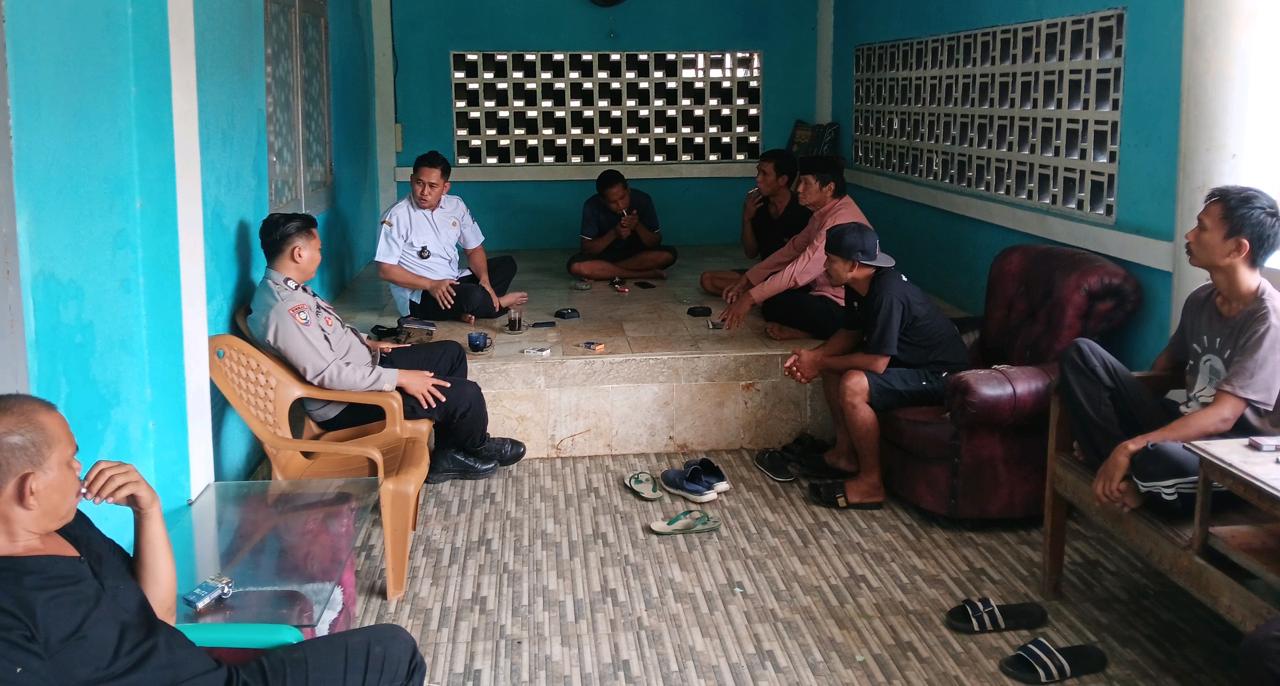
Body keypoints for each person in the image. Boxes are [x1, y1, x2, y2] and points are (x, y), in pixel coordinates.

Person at [0, 394, 428, 685]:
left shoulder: (67, 526)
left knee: (392, 650)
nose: (79, 467)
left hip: (213, 673)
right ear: (30, 489)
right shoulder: (10, 617)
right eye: (69, 459)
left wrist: (147, 509)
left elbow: (159, 615)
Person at [249, 213, 525, 483]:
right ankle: (477, 445)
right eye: (318, 249)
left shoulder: (286, 290)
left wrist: (366, 342)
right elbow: (328, 374)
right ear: (299, 253)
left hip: (364, 369)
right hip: (348, 402)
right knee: (466, 394)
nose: (321, 256)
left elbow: (323, 336)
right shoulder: (285, 309)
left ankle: (448, 454)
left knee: (450, 353)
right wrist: (401, 378)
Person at [1057, 186, 1280, 514]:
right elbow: (1162, 371)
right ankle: (1126, 476)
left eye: (1202, 228)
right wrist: (1104, 422)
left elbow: (1224, 415)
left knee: (1158, 457)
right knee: (1082, 355)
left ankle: (1129, 472)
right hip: (1186, 425)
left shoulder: (1268, 319)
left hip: (1231, 452)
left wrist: (1131, 445)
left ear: (1237, 248)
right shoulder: (1201, 299)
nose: (1189, 235)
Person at [778, 223, 969, 509]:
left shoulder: (888, 293)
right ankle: (844, 455)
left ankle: (870, 484)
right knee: (834, 369)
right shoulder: (858, 284)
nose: (825, 266)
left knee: (854, 383)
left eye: (830, 259)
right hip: (907, 364)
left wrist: (820, 361)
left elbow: (877, 363)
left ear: (854, 265)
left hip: (940, 376)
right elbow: (850, 333)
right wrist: (813, 358)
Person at [719, 156, 871, 341]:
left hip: (844, 304)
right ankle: (810, 330)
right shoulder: (821, 214)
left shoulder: (839, 220)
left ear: (829, 188)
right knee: (772, 299)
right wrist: (748, 279)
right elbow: (791, 250)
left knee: (774, 302)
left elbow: (800, 270)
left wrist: (749, 298)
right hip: (820, 292)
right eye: (799, 182)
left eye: (806, 183)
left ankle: (811, 333)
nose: (798, 189)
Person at [376, 150, 528, 324]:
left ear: (445, 187)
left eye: (433, 186)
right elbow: (385, 269)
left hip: (453, 280)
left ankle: (467, 308)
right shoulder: (396, 216)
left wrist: (485, 281)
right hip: (421, 294)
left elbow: (474, 249)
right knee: (472, 295)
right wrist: (431, 284)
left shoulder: (455, 205)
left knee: (506, 264)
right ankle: (497, 305)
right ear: (411, 180)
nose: (424, 192)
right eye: (419, 183)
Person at [699, 149, 811, 297]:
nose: (758, 179)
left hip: (791, 277)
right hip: (763, 274)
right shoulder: (758, 205)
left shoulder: (802, 208)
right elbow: (751, 252)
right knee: (708, 280)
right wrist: (747, 218)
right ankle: (761, 295)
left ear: (782, 180)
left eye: (764, 174)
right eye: (758, 172)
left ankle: (761, 295)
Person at [566, 169, 679, 280]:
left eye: (622, 198)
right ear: (603, 200)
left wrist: (637, 226)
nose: (620, 205)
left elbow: (655, 242)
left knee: (668, 255)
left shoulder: (643, 200)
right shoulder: (592, 205)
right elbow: (587, 249)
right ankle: (643, 274)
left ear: (628, 190)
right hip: (605, 255)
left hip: (636, 254)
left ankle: (605, 271)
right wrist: (614, 233)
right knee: (576, 266)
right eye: (612, 202)